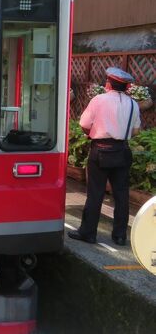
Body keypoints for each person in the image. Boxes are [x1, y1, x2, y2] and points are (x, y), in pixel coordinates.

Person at [68, 67, 141, 246]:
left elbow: (84, 123)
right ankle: (120, 235)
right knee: (121, 194)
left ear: (108, 83)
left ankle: (88, 233)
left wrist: (92, 133)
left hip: (100, 149)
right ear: (126, 87)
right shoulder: (133, 104)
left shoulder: (99, 99)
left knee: (95, 193)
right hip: (122, 151)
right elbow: (136, 131)